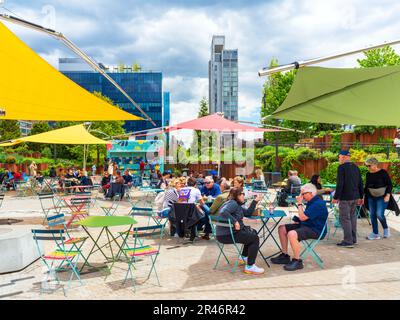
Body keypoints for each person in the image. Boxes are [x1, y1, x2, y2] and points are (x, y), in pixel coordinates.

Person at [271, 183, 329, 271]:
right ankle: (285, 255)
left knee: (292, 234)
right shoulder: (312, 201)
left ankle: (297, 261)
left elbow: (303, 217)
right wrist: (298, 219)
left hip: (316, 230)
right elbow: (305, 217)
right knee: (282, 228)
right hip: (308, 225)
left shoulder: (318, 204)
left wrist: (299, 204)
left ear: (311, 193)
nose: (300, 196)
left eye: (303, 194)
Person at [217, 187, 264, 275]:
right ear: (237, 195)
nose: (244, 196)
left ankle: (243, 257)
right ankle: (250, 266)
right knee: (254, 238)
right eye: (242, 194)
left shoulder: (236, 205)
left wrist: (255, 201)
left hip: (226, 234)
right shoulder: (233, 203)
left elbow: (248, 213)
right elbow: (223, 212)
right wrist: (235, 222)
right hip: (227, 234)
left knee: (252, 233)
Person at [333, 150, 364, 248]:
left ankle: (348, 241)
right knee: (352, 218)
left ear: (343, 157)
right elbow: (360, 183)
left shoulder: (341, 168)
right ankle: (353, 239)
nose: (339, 159)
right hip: (355, 197)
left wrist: (335, 197)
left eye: (339, 157)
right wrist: (361, 196)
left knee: (345, 219)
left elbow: (340, 184)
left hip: (345, 198)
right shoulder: (356, 167)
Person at [363, 157, 398, 240]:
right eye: (367, 166)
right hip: (371, 197)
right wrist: (363, 195)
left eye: (369, 165)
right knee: (372, 215)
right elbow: (367, 186)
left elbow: (389, 184)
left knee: (379, 214)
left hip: (382, 197)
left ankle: (386, 229)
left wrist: (388, 195)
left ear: (375, 165)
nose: (368, 167)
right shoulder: (368, 174)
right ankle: (375, 234)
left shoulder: (383, 172)